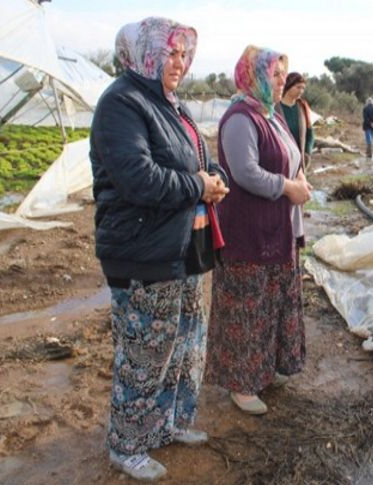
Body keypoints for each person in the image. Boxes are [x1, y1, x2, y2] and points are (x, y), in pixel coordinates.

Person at [90, 17, 229, 481]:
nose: (180, 62)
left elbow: (193, 161)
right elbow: (139, 178)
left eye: (184, 53)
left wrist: (211, 182)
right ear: (143, 53)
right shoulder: (121, 104)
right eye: (170, 52)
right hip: (142, 251)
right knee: (145, 353)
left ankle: (167, 424)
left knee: (183, 344)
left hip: (183, 245)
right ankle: (126, 445)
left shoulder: (171, 104)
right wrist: (198, 185)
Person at [205, 45, 311, 416]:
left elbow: (291, 156)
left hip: (277, 231)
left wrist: (300, 176)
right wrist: (288, 187)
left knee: (271, 305)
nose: (282, 80)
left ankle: (264, 369)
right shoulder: (240, 117)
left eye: (284, 73)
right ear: (253, 76)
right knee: (247, 309)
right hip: (249, 235)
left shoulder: (272, 115)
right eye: (274, 74)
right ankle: (242, 383)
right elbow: (245, 172)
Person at [276, 72, 314, 169]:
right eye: (298, 87)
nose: (301, 91)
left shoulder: (302, 107)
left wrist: (307, 153)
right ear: (288, 86)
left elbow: (310, 133)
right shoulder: (275, 107)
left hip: (299, 163)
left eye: (303, 88)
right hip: (280, 162)